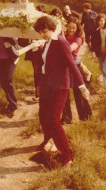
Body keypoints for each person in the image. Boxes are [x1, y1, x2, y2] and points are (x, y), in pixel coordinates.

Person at [30, 17, 90, 168]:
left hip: (60, 86)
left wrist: (82, 86)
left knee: (54, 120)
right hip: (47, 85)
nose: (42, 35)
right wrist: (37, 50)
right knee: (43, 116)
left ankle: (67, 156)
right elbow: (44, 63)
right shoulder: (48, 42)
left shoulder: (60, 41)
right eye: (40, 32)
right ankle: (48, 148)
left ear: (51, 28)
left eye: (44, 31)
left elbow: (71, 64)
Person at [61, 19, 92, 122]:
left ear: (77, 28)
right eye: (70, 27)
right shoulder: (64, 36)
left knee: (78, 91)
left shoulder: (78, 38)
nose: (71, 29)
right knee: (64, 92)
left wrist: (61, 34)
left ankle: (85, 116)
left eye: (74, 28)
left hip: (74, 67)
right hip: (64, 67)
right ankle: (66, 118)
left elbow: (68, 49)